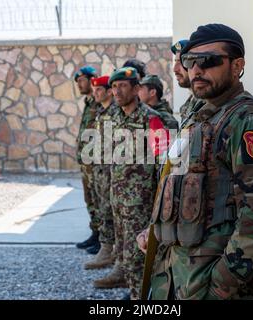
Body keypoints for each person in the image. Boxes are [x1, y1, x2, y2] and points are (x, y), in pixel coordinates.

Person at [137, 23, 253, 300]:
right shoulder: (199, 115)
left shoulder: (249, 122)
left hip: (210, 286)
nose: (196, 69)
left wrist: (222, 283)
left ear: (237, 66)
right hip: (174, 278)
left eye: (209, 61)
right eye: (190, 61)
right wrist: (157, 231)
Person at [93, 67, 168, 299]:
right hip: (117, 198)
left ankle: (142, 298)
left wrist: (159, 203)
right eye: (114, 86)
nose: (117, 91)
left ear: (136, 89)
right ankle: (136, 293)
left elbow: (163, 163)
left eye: (123, 86)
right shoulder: (112, 117)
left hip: (141, 202)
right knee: (124, 253)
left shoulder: (151, 119)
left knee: (139, 256)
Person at [84, 75, 117, 270]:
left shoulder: (115, 111)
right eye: (94, 90)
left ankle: (108, 251)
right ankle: (107, 249)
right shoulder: (100, 111)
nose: (95, 93)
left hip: (111, 171)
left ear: (108, 91)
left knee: (110, 211)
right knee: (103, 209)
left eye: (99, 90)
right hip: (100, 170)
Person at [74, 65, 101, 255]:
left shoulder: (99, 102)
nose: (78, 85)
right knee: (89, 198)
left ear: (92, 80)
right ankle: (95, 233)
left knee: (99, 199)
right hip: (87, 161)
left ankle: (103, 239)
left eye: (81, 80)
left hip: (97, 161)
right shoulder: (89, 102)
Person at [171, 39, 204, 125]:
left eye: (181, 62)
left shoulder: (209, 104)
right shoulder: (188, 105)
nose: (175, 69)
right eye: (175, 62)